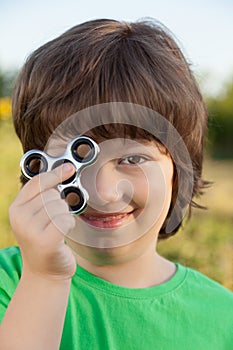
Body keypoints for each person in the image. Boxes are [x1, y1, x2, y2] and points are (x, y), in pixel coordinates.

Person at [0, 18, 232, 350]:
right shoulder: (9, 283)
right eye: (78, 158)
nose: (104, 193)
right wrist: (44, 278)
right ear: (39, 167)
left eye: (133, 159)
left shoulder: (224, 319)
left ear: (180, 171)